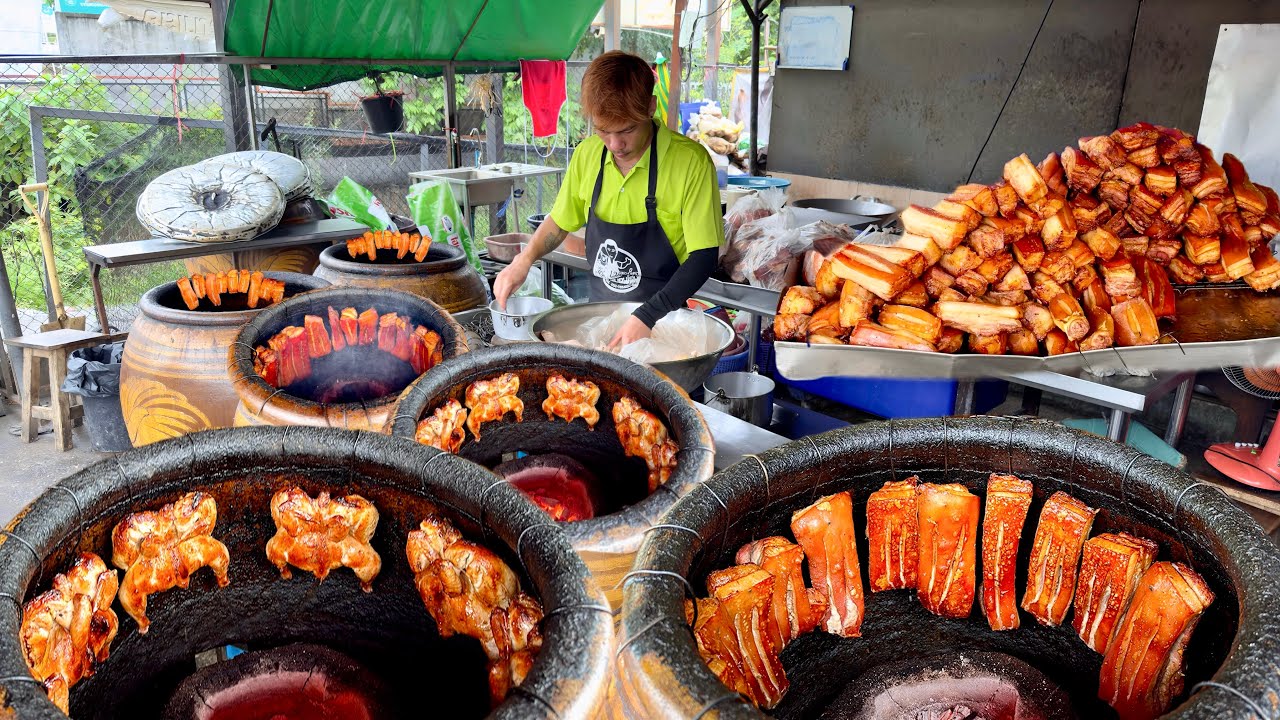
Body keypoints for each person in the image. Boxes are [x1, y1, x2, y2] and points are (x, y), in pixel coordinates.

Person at [493, 51, 723, 349]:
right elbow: (560, 221)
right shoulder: (587, 155)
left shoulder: (690, 163)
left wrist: (647, 315)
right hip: (600, 320)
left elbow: (704, 257)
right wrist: (523, 259)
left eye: (627, 129)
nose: (615, 144)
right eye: (603, 130)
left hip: (664, 326)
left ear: (651, 107)